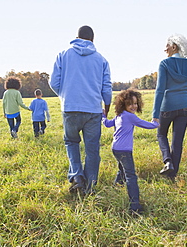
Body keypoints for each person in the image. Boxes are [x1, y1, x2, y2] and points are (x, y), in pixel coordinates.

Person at [49, 25, 112, 195]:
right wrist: (106, 106)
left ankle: (77, 177)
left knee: (71, 142)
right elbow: (106, 87)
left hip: (70, 108)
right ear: (92, 39)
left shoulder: (63, 55)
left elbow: (53, 82)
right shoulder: (101, 60)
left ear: (76, 37)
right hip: (93, 110)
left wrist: (65, 95)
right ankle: (90, 184)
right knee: (92, 148)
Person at [103, 89, 159, 214]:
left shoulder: (119, 115)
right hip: (124, 150)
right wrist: (156, 123)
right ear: (123, 105)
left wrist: (102, 116)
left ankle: (116, 187)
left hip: (115, 149)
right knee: (131, 176)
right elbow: (146, 124)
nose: (134, 106)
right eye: (130, 104)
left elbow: (107, 124)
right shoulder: (130, 116)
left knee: (122, 169)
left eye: (135, 103)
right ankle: (135, 206)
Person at [152, 34, 187, 182]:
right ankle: (172, 177)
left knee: (161, 134)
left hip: (167, 106)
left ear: (174, 46)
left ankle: (167, 162)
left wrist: (155, 114)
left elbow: (160, 90)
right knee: (177, 142)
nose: (165, 49)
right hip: (185, 107)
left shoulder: (164, 64)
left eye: (167, 45)